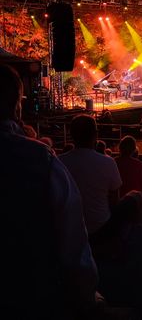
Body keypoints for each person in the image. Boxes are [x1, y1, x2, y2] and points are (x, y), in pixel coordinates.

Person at [0, 65, 98, 319]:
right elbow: (73, 236)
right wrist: (86, 294)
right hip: (31, 294)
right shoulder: (40, 160)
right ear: (16, 106)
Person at [60, 114, 122, 236]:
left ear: (71, 134)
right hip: (100, 225)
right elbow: (115, 200)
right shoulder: (108, 162)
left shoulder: (59, 162)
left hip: (68, 228)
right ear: (95, 134)